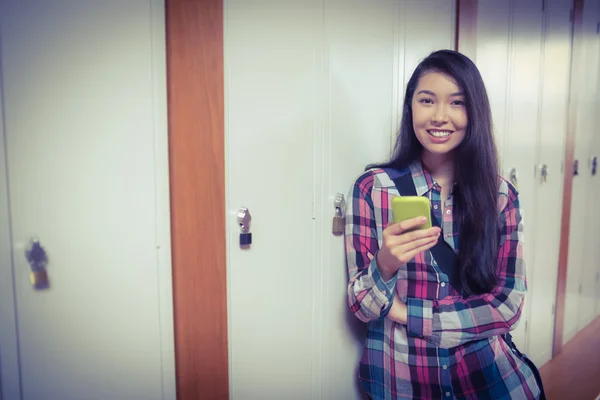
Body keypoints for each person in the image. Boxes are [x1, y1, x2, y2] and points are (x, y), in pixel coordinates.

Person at [344, 50, 542, 400]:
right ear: (411, 108)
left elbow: (508, 305)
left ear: (474, 112)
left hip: (489, 380)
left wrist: (407, 314)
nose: (439, 116)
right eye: (427, 100)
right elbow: (362, 306)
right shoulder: (373, 189)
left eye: (457, 103)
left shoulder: (500, 196)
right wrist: (386, 263)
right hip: (402, 382)